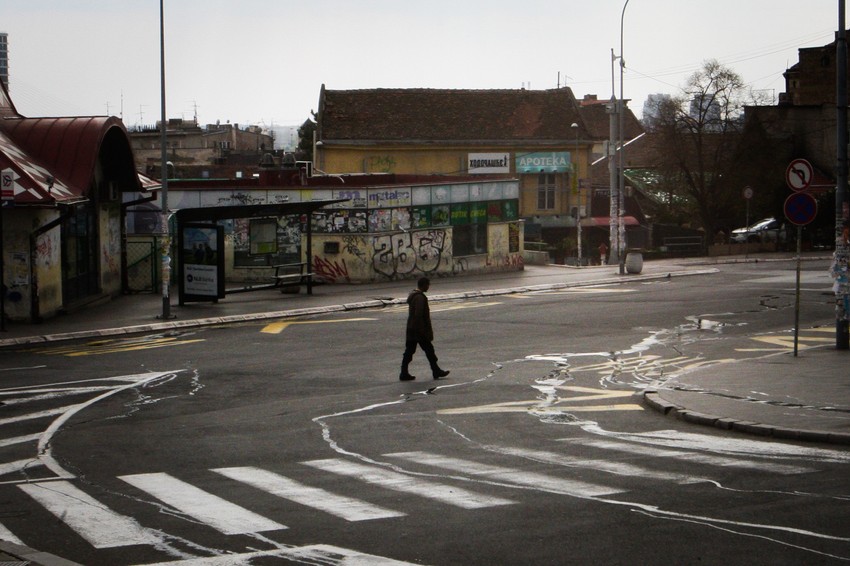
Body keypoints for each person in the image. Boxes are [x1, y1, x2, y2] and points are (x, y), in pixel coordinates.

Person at [400, 277, 450, 381]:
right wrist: (423, 331)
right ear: (423, 285)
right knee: (429, 350)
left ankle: (404, 372)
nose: (428, 287)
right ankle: (435, 370)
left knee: (410, 351)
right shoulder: (420, 298)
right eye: (428, 285)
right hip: (419, 330)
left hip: (411, 329)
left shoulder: (414, 296)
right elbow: (419, 315)